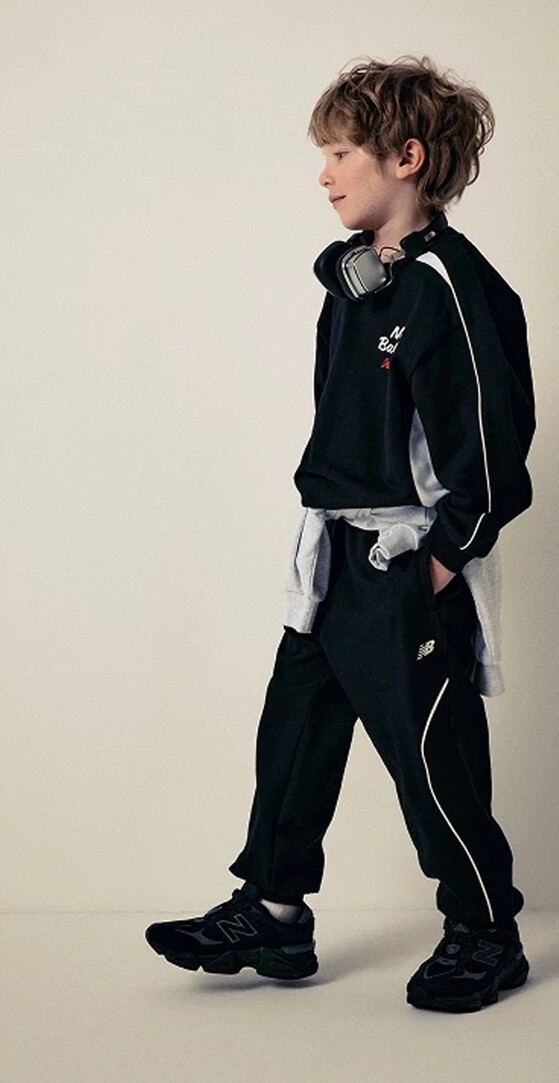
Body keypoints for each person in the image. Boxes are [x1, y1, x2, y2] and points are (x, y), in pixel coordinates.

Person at [145, 53, 536, 1015]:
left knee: (431, 754)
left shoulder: (452, 289)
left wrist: (440, 563)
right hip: (330, 554)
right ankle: (274, 914)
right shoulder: (358, 279)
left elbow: (494, 453)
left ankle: (486, 929)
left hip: (402, 563)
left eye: (340, 153)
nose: (323, 175)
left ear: (407, 158)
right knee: (296, 731)